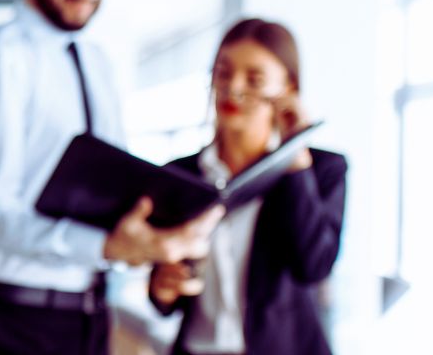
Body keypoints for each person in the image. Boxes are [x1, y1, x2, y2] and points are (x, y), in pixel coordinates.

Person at [0, 0, 224, 355]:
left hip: (90, 313)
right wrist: (108, 248)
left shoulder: (99, 60)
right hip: (16, 322)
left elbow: (104, 199)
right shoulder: (0, 60)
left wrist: (151, 242)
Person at [148, 18, 347, 355]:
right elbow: (166, 297)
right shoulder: (178, 175)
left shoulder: (322, 170)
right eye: (223, 73)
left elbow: (313, 267)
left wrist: (295, 159)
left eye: (254, 79)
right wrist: (162, 288)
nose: (234, 89)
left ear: (288, 89)